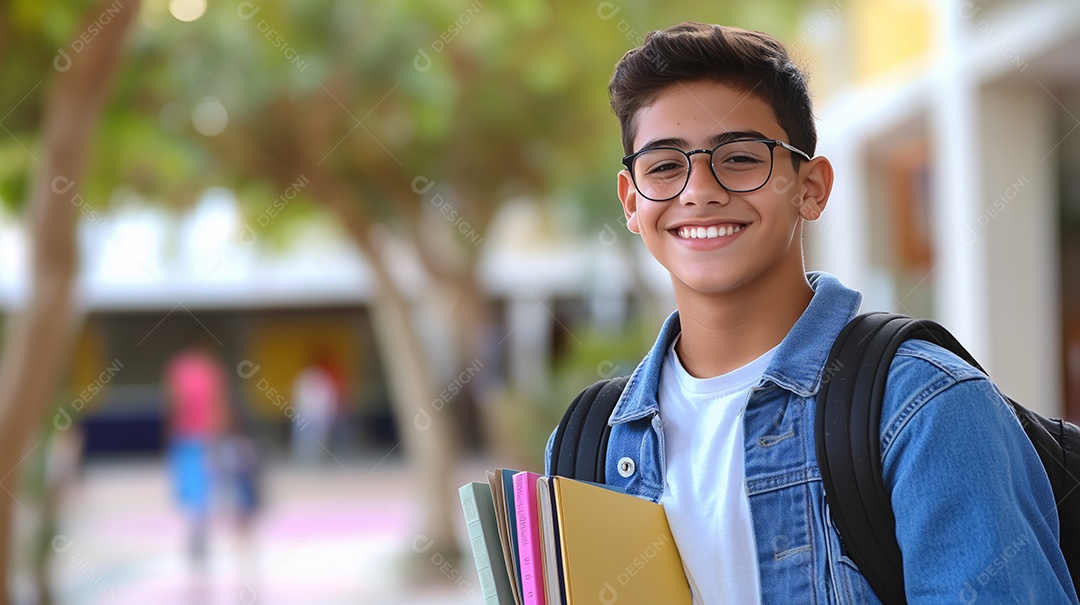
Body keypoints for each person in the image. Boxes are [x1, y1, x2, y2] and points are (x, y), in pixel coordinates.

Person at [545, 22, 1077, 604]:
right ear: (631, 200)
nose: (698, 189)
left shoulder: (923, 406)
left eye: (741, 157)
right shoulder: (591, 441)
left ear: (812, 187)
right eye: (665, 166)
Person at [164, 340, 226, 563]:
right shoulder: (211, 369)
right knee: (202, 485)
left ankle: (196, 531)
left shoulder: (179, 368)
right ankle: (199, 531)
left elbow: (174, 401)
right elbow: (218, 405)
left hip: (185, 434)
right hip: (202, 436)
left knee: (191, 485)